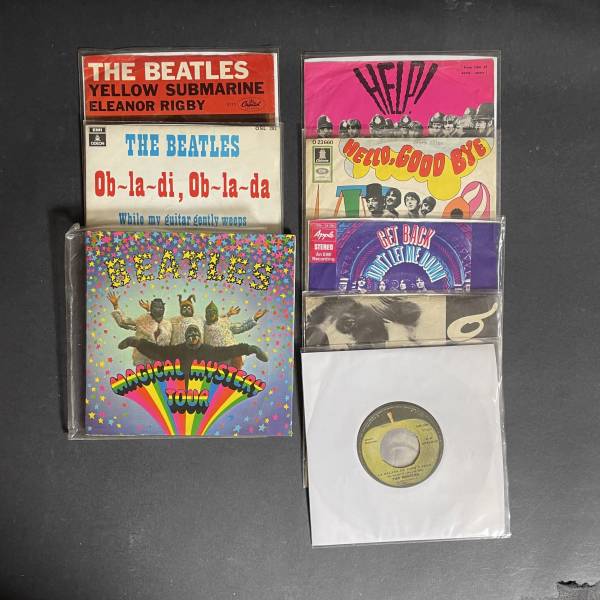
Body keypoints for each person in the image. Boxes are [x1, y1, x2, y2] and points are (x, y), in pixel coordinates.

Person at [118, 324, 268, 387]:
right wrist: (136, 342)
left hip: (203, 391)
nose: (193, 336)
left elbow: (230, 351)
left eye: (196, 333)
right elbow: (158, 352)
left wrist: (251, 349)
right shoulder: (178, 350)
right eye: (189, 333)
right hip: (180, 391)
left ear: (200, 337)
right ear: (185, 337)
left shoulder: (209, 350)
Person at [108, 292, 172, 364]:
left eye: (161, 307)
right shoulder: (142, 320)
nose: (159, 309)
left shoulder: (168, 324)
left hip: (162, 361)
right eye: (156, 307)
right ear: (152, 308)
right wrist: (116, 306)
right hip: (143, 361)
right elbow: (123, 322)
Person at [203, 301, 267, 369]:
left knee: (237, 354)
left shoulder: (223, 323)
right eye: (209, 312)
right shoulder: (203, 327)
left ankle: (254, 350)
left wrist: (254, 318)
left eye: (213, 312)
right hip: (217, 359)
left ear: (216, 314)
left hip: (232, 354)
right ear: (206, 314)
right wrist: (228, 314)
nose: (211, 314)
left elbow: (241, 327)